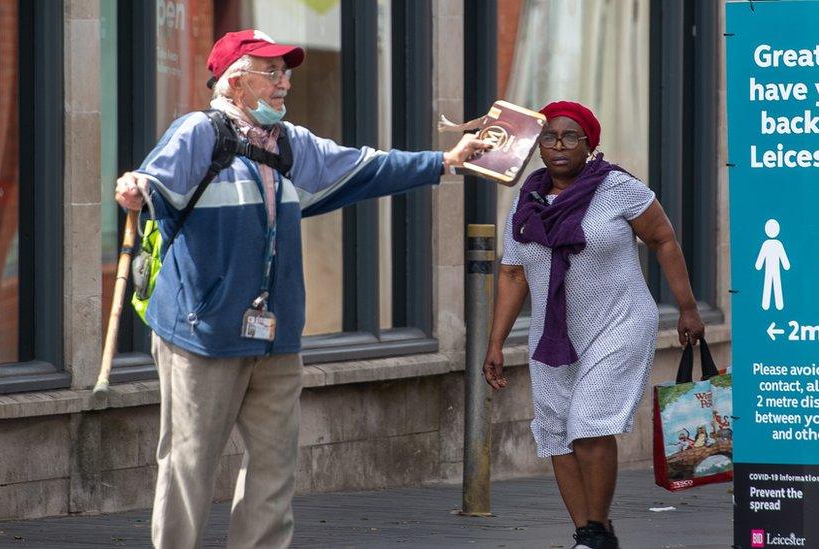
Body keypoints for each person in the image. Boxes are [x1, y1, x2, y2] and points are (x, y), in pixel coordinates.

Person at [113, 29, 487, 548]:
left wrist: (444, 161)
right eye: (273, 71)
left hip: (277, 336)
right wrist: (137, 187)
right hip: (203, 335)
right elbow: (155, 179)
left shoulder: (294, 144)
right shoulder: (198, 131)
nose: (285, 82)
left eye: (287, 71)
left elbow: (366, 166)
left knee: (275, 468)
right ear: (236, 81)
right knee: (188, 464)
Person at [482, 101, 705, 549]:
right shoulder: (525, 201)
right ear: (538, 145)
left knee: (588, 423)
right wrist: (495, 342)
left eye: (571, 137)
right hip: (554, 335)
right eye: (550, 137)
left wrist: (687, 307)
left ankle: (597, 528)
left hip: (619, 322)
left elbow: (663, 239)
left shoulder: (618, 188)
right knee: (557, 431)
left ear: (590, 144)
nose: (559, 146)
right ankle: (590, 533)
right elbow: (512, 272)